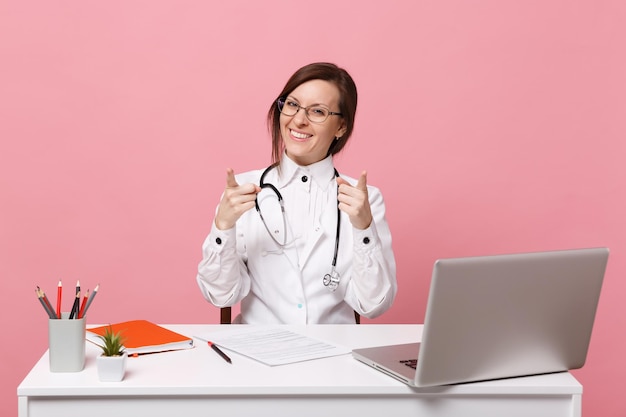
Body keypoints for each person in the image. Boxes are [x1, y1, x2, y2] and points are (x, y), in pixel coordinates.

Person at [196, 62, 397, 324]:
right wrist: (222, 227)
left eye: (318, 111)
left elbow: (373, 305)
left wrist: (363, 228)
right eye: (292, 105)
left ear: (341, 127)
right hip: (260, 353)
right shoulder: (243, 191)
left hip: (333, 355)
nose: (299, 120)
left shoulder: (364, 199)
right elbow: (220, 295)